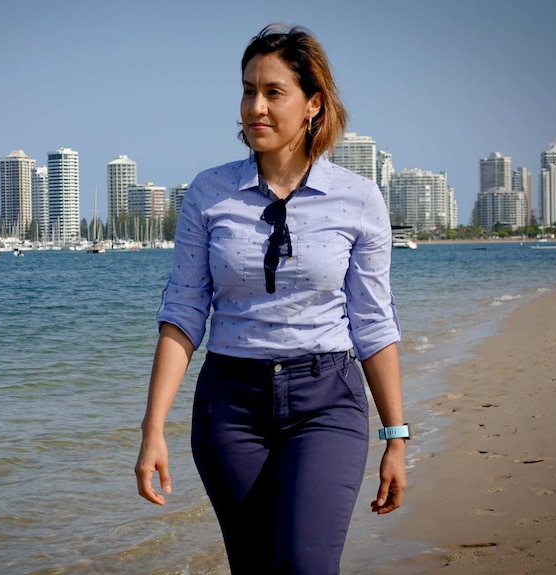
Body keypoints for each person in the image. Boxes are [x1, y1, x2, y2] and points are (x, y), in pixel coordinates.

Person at [135, 23, 407, 575]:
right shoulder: (209, 193)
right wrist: (152, 429)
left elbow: (374, 323)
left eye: (273, 92)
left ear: (313, 104)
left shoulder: (358, 199)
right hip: (229, 406)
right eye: (247, 90)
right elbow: (184, 312)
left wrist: (396, 436)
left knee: (306, 565)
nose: (255, 107)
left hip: (326, 399)